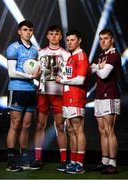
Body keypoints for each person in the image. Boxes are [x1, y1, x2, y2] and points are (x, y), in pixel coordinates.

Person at [30, 25, 70, 170]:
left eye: (56, 34)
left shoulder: (66, 54)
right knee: (40, 125)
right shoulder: (39, 53)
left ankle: (64, 160)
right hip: (43, 93)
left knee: (60, 126)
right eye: (51, 34)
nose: (54, 36)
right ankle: (37, 158)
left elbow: (69, 75)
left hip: (59, 94)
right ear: (47, 36)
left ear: (60, 37)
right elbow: (33, 70)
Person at [6, 20, 41, 172]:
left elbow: (35, 71)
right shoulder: (13, 48)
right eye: (25, 29)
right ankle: (11, 160)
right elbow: (11, 72)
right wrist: (29, 77)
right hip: (17, 90)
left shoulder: (34, 50)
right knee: (15, 124)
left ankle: (24, 158)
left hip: (30, 91)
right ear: (19, 31)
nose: (28, 32)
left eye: (30, 30)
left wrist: (37, 79)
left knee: (27, 125)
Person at [56, 30, 89, 174]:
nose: (69, 42)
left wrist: (62, 80)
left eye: (72, 40)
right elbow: (69, 76)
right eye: (68, 40)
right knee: (70, 129)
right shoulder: (70, 57)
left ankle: (80, 163)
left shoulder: (81, 56)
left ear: (79, 40)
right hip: (67, 96)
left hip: (76, 97)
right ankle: (73, 161)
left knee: (78, 129)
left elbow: (81, 79)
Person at [91, 28, 121, 174]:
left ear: (112, 40)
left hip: (110, 96)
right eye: (101, 39)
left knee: (109, 130)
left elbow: (103, 74)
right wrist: (97, 66)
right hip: (98, 96)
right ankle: (105, 161)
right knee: (101, 130)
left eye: (106, 38)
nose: (103, 41)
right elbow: (91, 70)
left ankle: (113, 164)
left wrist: (97, 67)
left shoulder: (114, 55)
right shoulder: (100, 56)